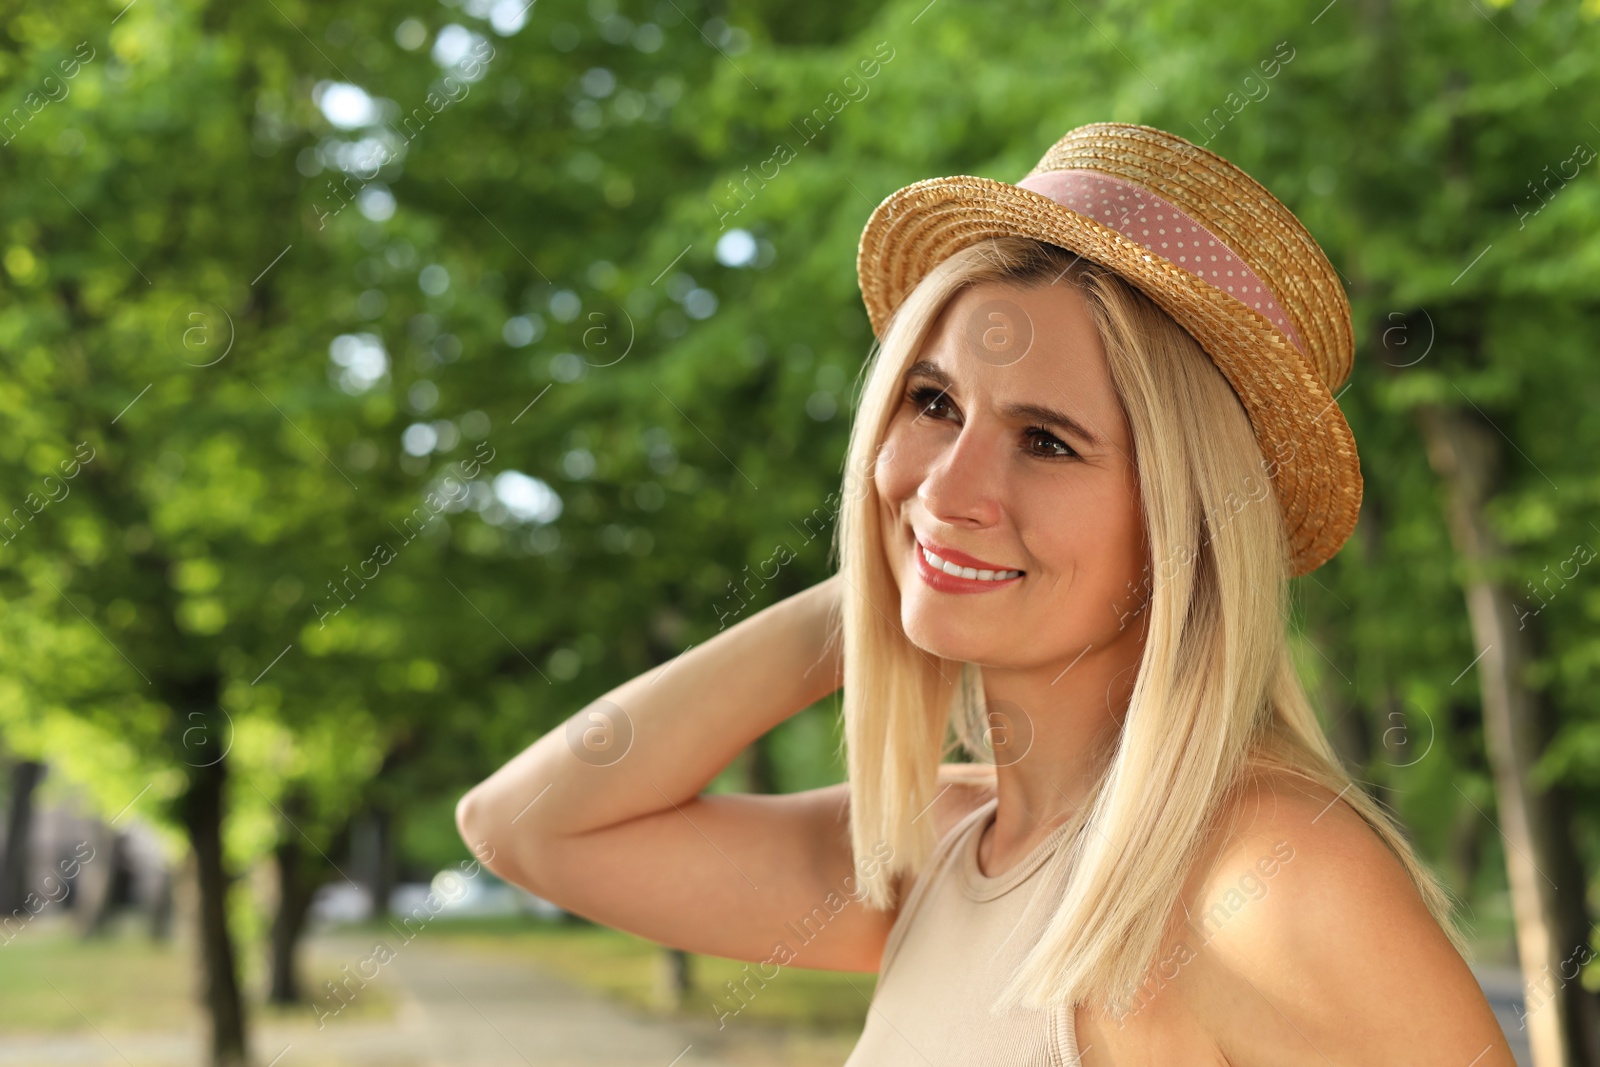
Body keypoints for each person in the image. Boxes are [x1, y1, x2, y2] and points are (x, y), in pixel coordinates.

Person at [455, 123, 1515, 1064]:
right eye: (932, 402)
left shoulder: (1268, 879)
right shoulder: (947, 841)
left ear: (1188, 528)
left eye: (1046, 440)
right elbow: (527, 825)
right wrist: (890, 567)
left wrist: (932, 549)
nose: (952, 482)